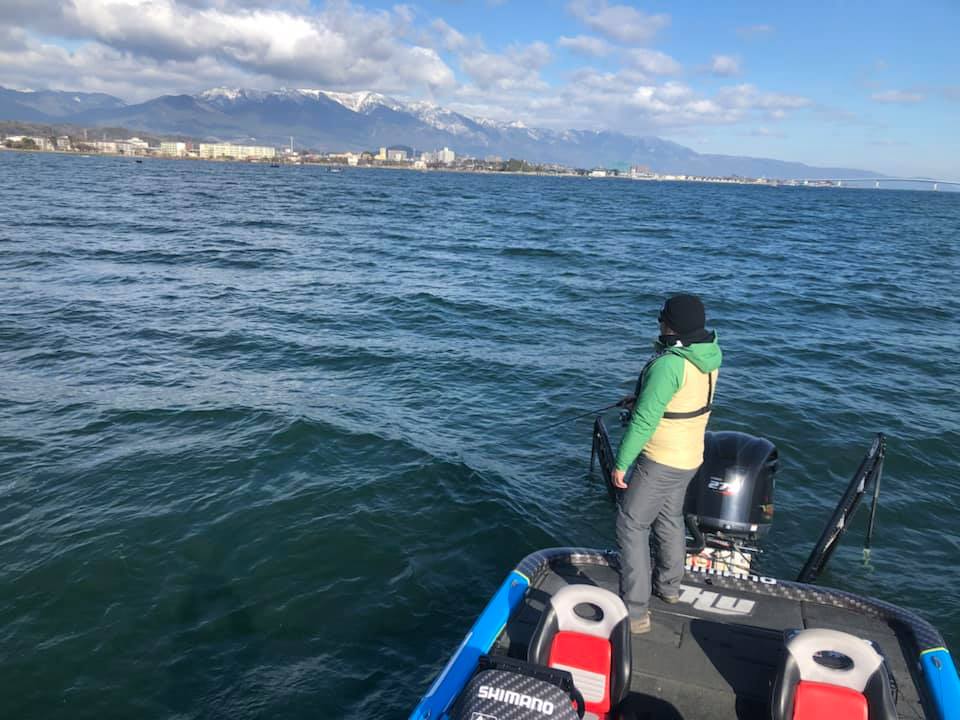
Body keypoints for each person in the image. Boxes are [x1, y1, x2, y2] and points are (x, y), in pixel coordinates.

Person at [612, 293, 722, 634]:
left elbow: (645, 422)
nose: (659, 323)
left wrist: (621, 463)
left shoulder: (669, 364)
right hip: (690, 457)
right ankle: (670, 587)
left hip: (661, 460)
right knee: (669, 518)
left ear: (671, 326)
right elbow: (681, 400)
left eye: (662, 319)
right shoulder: (708, 355)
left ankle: (635, 612)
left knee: (631, 524)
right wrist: (642, 397)